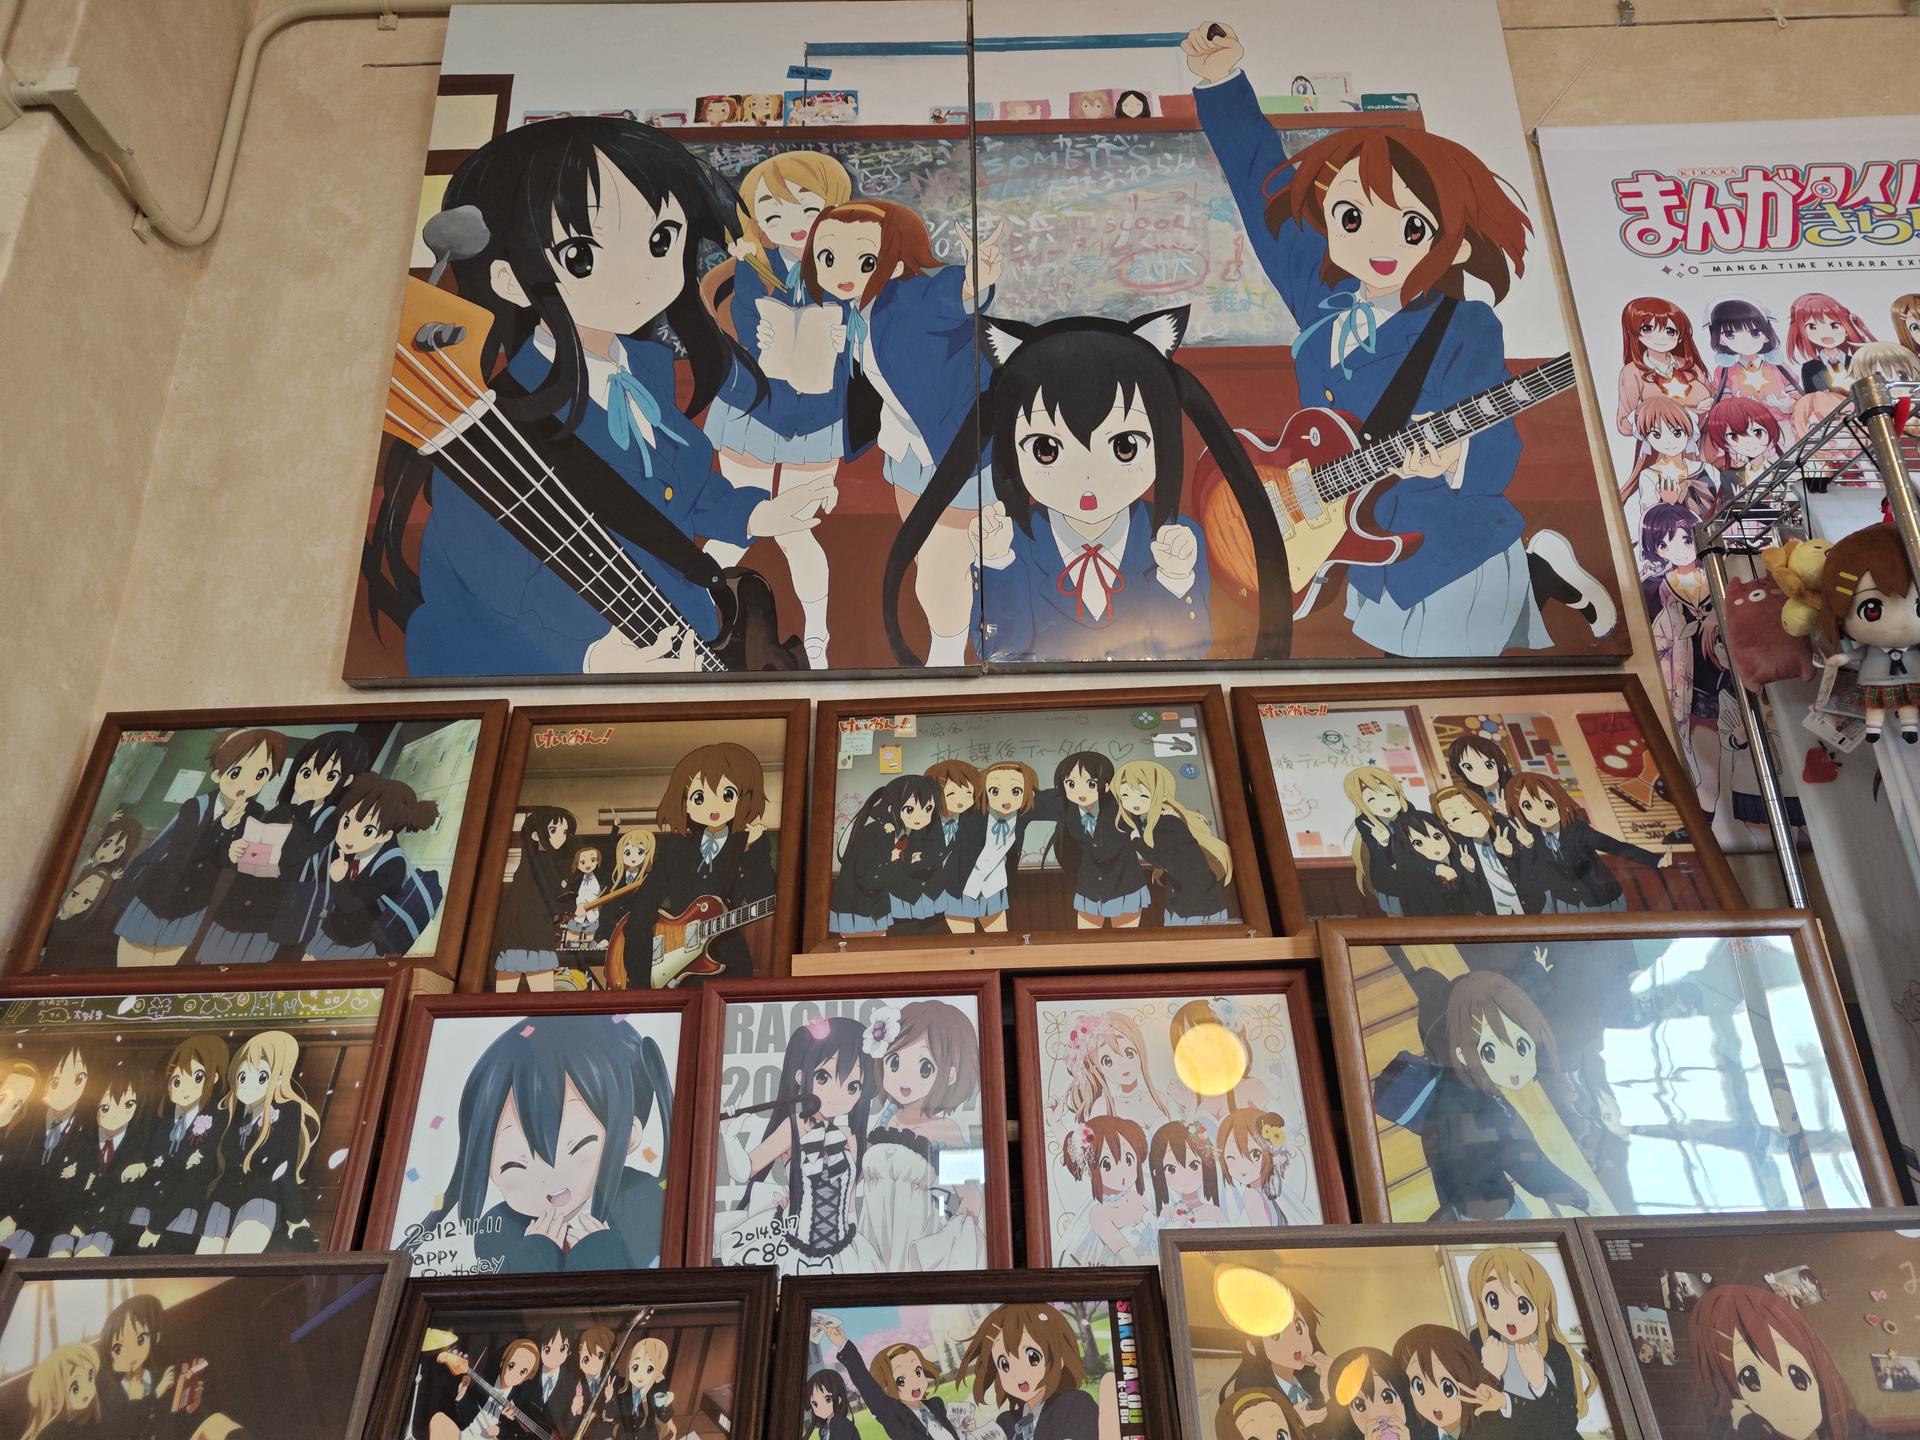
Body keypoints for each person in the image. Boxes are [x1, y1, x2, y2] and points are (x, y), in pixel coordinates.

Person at [1185, 22, 1610, 655]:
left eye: (1411, 228)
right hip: (1365, 557)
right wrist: (1222, 82)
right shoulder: (1321, 298)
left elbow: (1500, 440)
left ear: (1453, 244)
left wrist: (1455, 455)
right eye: (1353, 218)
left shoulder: (1465, 325)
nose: (1378, 245)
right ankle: (1542, 569)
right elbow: (1260, 185)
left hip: (1451, 550)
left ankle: (1533, 569)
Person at [410, 1015, 673, 1273]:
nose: (551, 1183)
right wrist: (536, 1251)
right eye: (513, 1165)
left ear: (629, 1134)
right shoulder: (499, 1229)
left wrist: (599, 1251)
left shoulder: (648, 1205)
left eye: (577, 1147)